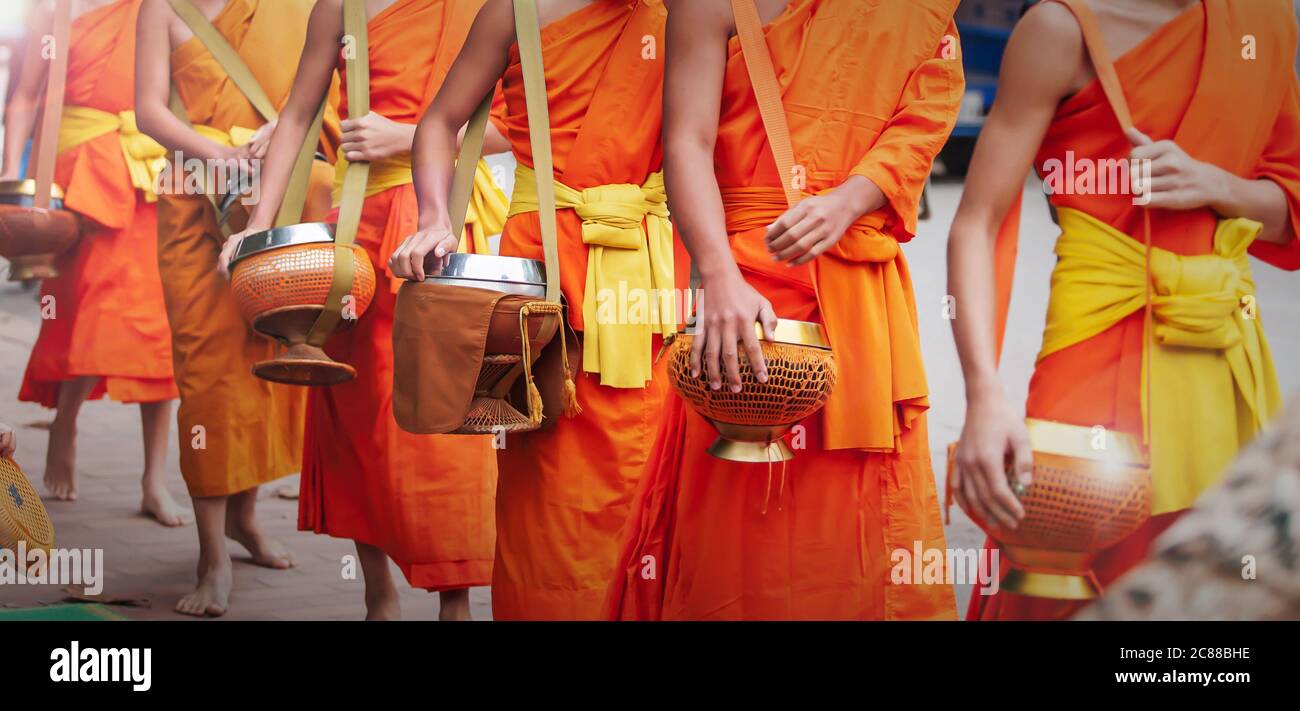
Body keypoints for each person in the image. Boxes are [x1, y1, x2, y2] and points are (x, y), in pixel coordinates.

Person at [603, 0, 964, 620]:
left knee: (852, 516)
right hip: (745, 286)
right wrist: (717, 276)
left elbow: (920, 124)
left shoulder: (916, 11)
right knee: (735, 511)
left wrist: (849, 200)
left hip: (853, 287)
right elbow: (685, 142)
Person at [947, 0, 1300, 620]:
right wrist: (982, 395)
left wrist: (1218, 186)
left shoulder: (1263, 23)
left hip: (1221, 347)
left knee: (1210, 586)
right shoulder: (1059, 30)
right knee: (1057, 563)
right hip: (1096, 340)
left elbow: (1290, 204)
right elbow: (978, 222)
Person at [388, 0, 686, 620]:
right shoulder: (514, 12)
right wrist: (434, 216)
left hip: (654, 261)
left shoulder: (685, 11)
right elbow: (441, 121)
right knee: (552, 464)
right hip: (548, 265)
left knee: (658, 455)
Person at [219, 0, 509, 621]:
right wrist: (259, 222)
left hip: (445, 224)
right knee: (358, 413)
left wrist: (412, 136)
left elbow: (520, 116)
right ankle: (378, 591)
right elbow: (297, 113)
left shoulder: (487, 6)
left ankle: (453, 600)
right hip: (361, 224)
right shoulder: (339, 9)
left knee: (445, 418)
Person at [134, 0, 341, 617]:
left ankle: (245, 520)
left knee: (269, 365)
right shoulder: (161, 8)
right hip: (192, 201)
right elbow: (147, 108)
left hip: (282, 192)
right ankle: (211, 556)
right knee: (207, 372)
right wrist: (216, 155)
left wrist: (283, 135)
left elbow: (326, 90)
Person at [2, 0, 183, 525]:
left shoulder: (161, 7)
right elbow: (25, 99)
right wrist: (18, 190)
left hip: (149, 176)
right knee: (87, 315)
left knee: (158, 326)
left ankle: (154, 479)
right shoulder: (52, 11)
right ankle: (65, 423)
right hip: (80, 182)